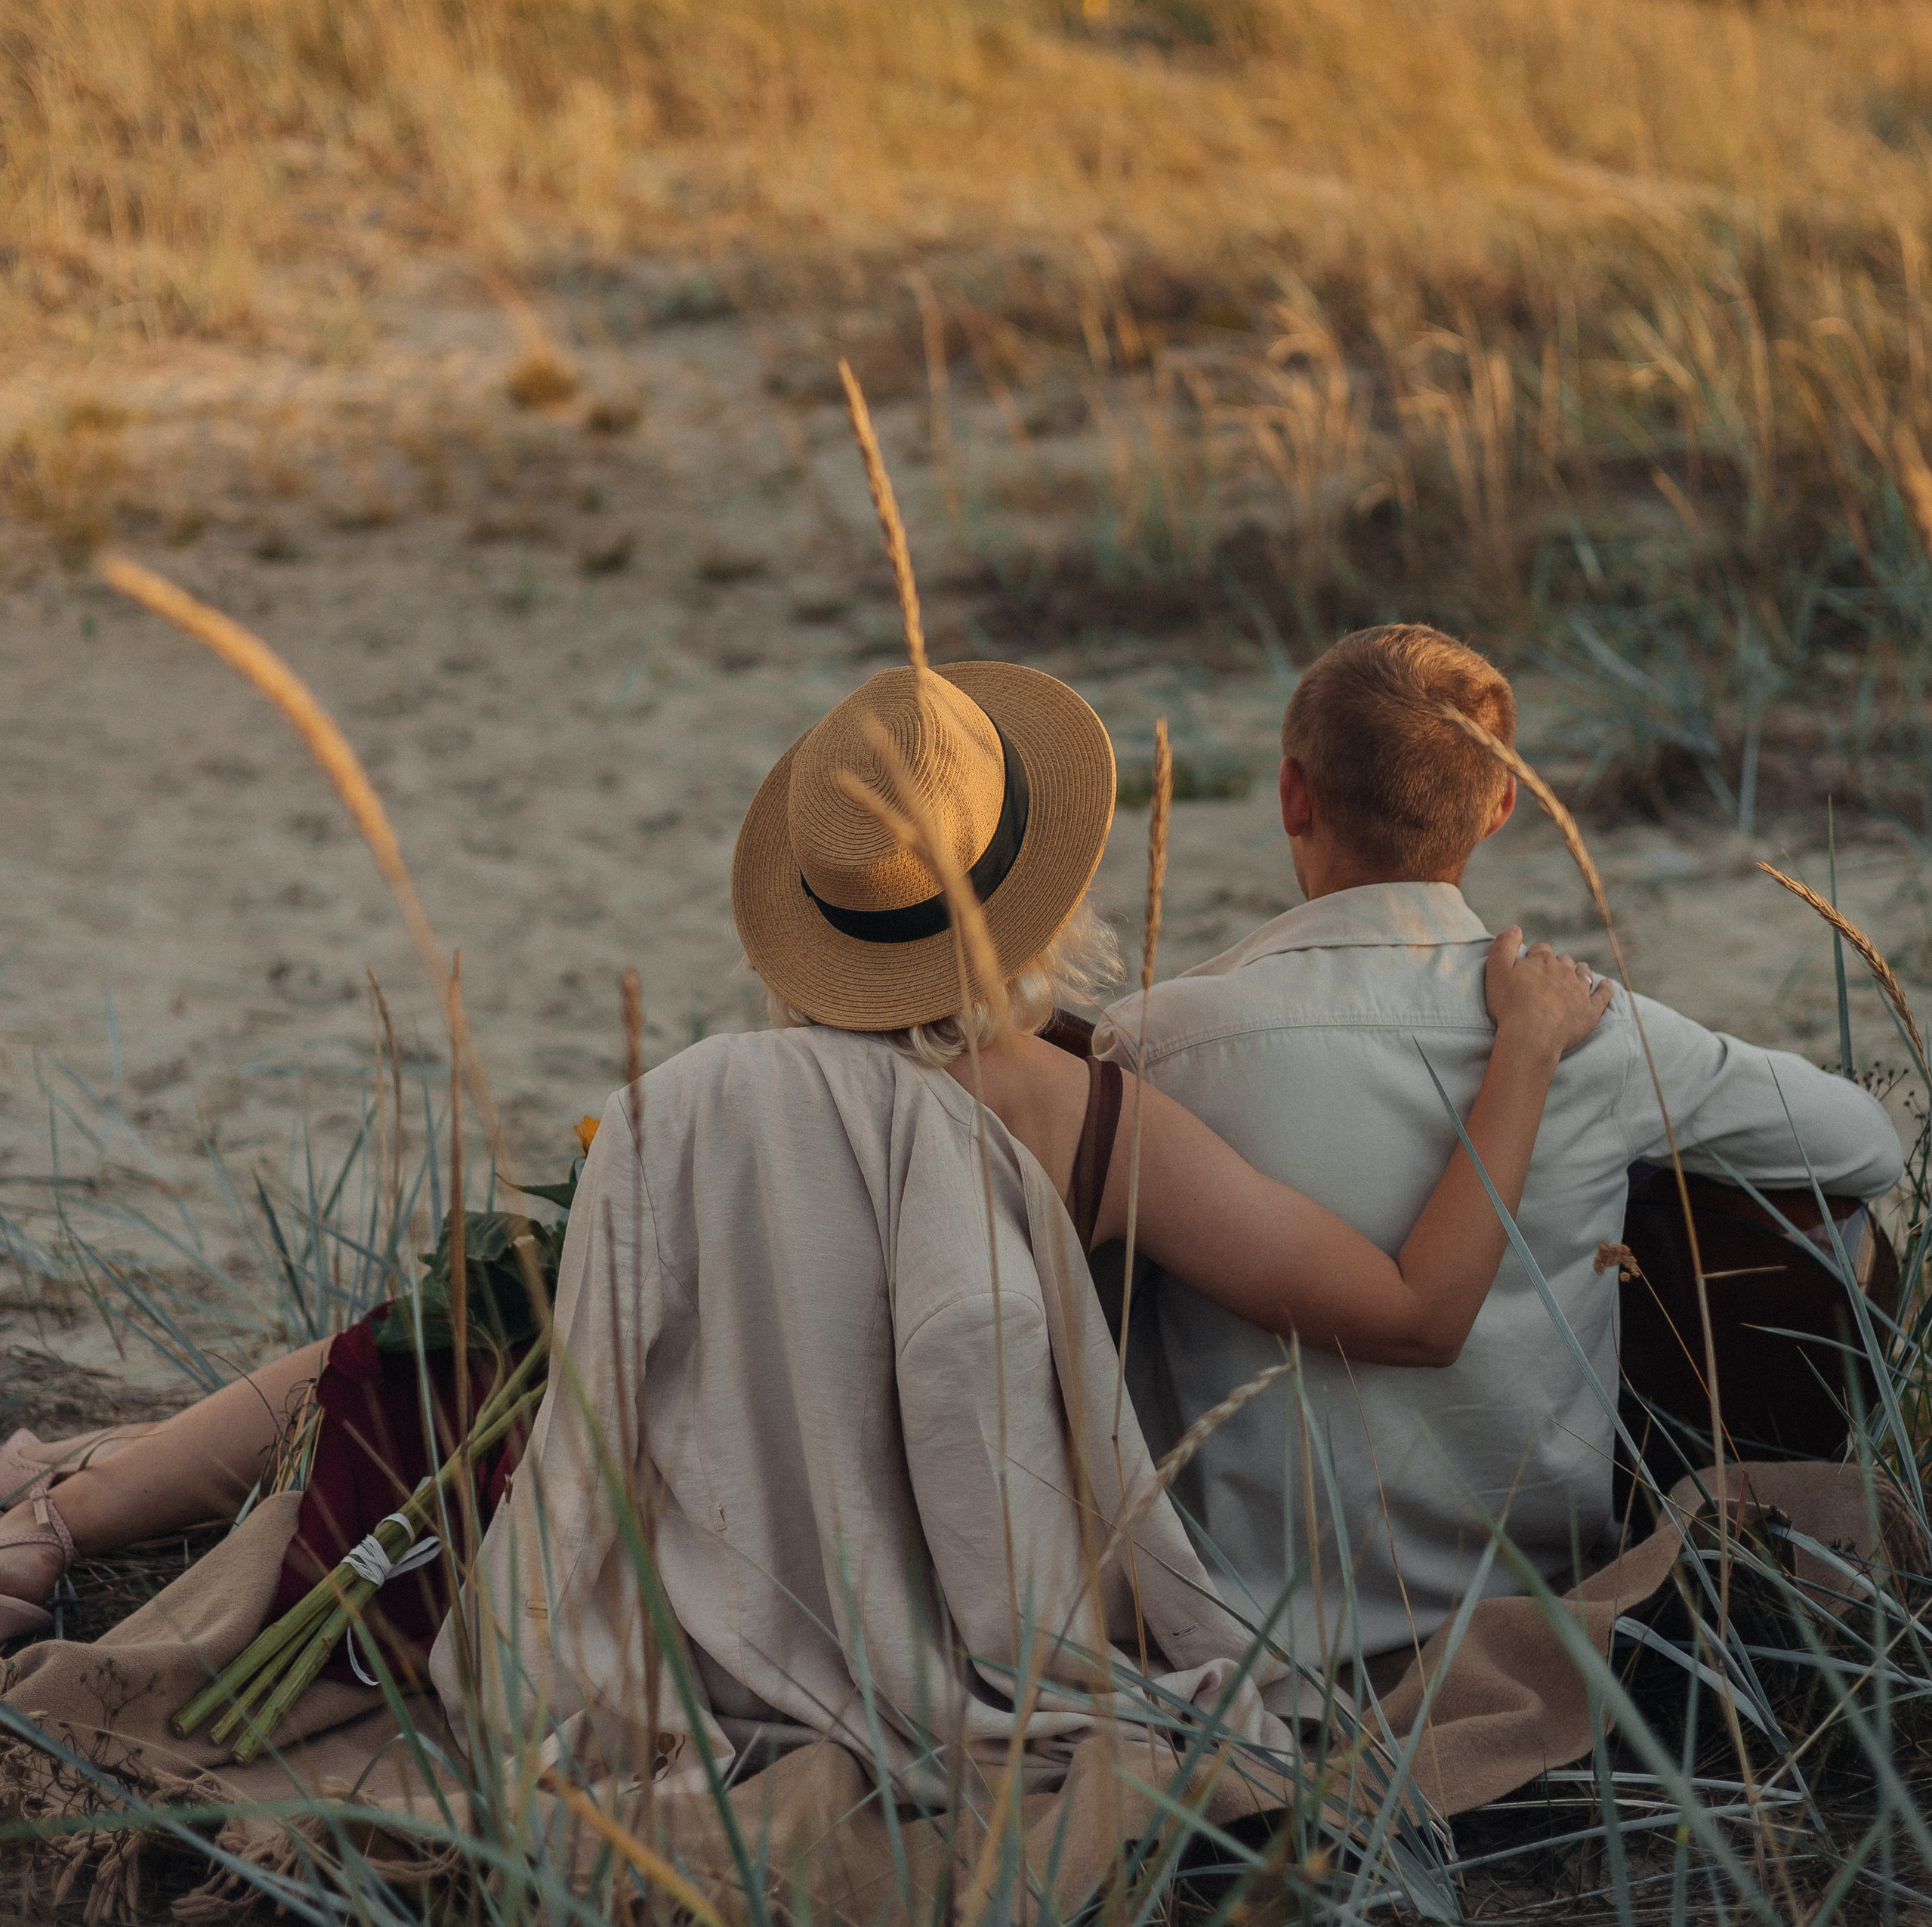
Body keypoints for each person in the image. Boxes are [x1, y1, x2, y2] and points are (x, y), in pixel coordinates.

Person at [0, 660, 1607, 1689]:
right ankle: (62, 1497)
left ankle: (61, 1506)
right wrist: (1522, 1050)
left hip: (583, 1512)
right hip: (855, 1574)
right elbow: (1411, 1310)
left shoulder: (720, 1093)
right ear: (1034, 875)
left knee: (448, 1334)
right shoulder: (1071, 1109)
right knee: (459, 1331)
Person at [1091, 623, 1905, 1675]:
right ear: (1501, 804)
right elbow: (1863, 1148)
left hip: (1251, 1639)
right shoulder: (1593, 1028)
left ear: (1293, 795)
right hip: (1535, 1610)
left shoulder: (1154, 1042)